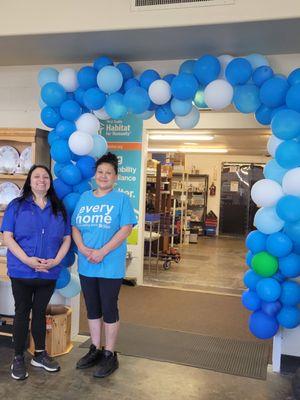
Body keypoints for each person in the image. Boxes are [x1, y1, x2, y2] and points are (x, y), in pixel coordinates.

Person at [1, 165, 71, 380]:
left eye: (45, 177)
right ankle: (18, 358)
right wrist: (28, 261)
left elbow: (67, 238)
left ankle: (39, 355)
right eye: (36, 177)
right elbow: (8, 237)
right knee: (22, 313)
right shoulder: (16, 206)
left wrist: (56, 261)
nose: (41, 180)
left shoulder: (59, 208)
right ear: (29, 181)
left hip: (48, 272)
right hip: (22, 271)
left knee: (40, 313)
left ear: (50, 182)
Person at [72, 152, 136, 378]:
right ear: (94, 175)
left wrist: (102, 251)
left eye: (109, 173)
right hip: (87, 264)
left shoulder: (121, 199)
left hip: (109, 265)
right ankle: (94, 349)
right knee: (92, 308)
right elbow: (75, 227)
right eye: (100, 172)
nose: (104, 175)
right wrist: (81, 247)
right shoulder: (85, 198)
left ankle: (109, 353)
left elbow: (126, 228)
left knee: (109, 308)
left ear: (116, 177)